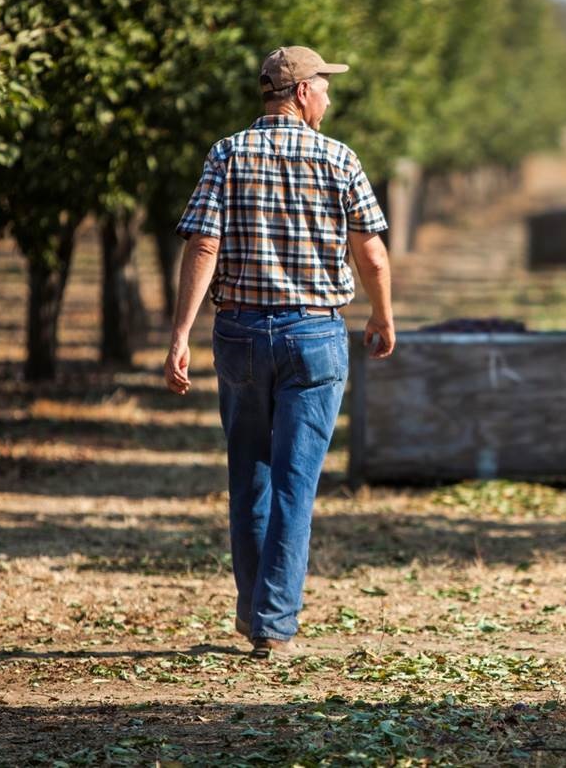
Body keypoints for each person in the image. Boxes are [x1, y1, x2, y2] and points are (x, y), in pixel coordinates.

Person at [163, 45, 395, 660]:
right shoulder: (339, 158)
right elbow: (371, 253)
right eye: (325, 87)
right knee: (296, 481)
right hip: (314, 336)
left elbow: (203, 245)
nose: (329, 98)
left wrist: (181, 333)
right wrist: (382, 313)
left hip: (239, 333)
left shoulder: (227, 153)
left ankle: (254, 609)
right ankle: (272, 623)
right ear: (301, 92)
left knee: (250, 476)